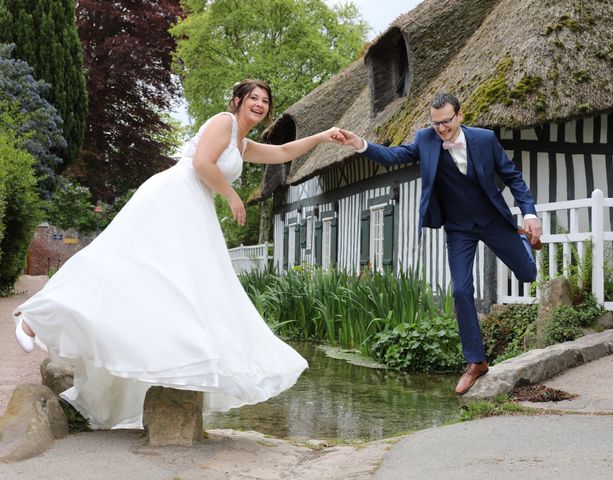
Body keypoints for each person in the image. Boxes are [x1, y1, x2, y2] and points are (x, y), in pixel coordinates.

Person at [13, 79, 346, 428]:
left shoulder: (242, 142)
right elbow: (203, 163)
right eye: (254, 98)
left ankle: (173, 360)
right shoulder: (224, 122)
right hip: (173, 196)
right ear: (237, 101)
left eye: (265, 101)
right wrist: (231, 196)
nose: (260, 104)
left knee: (171, 286)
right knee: (118, 263)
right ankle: (36, 318)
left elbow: (280, 153)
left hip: (192, 205)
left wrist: (323, 136)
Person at [338, 93, 541, 395]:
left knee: (528, 275)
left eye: (446, 121)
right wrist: (360, 144)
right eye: (436, 124)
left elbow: (513, 178)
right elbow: (394, 156)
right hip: (459, 228)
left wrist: (529, 213)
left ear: (460, 115)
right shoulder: (426, 139)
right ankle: (476, 362)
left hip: (494, 220)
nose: (442, 129)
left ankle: (522, 241)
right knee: (460, 289)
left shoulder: (485, 139)